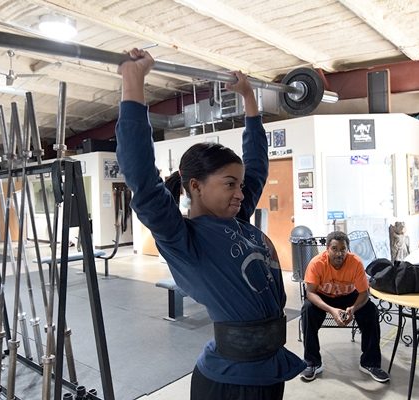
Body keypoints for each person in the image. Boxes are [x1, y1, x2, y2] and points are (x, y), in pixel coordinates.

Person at [115, 48, 304, 400]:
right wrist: (133, 82)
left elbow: (257, 164)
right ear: (196, 186)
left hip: (269, 369)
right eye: (230, 184)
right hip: (229, 384)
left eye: (240, 185)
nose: (239, 193)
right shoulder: (183, 238)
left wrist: (250, 99)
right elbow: (141, 175)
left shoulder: (239, 219)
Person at [300, 230, 389, 383]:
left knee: (370, 311)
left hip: (349, 297)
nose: (339, 253)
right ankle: (312, 363)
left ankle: (370, 363)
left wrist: (353, 308)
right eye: (334, 249)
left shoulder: (355, 263)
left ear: (348, 249)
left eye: (343, 249)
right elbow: (310, 293)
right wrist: (332, 310)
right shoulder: (317, 263)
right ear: (327, 249)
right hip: (323, 297)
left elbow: (364, 293)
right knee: (308, 310)